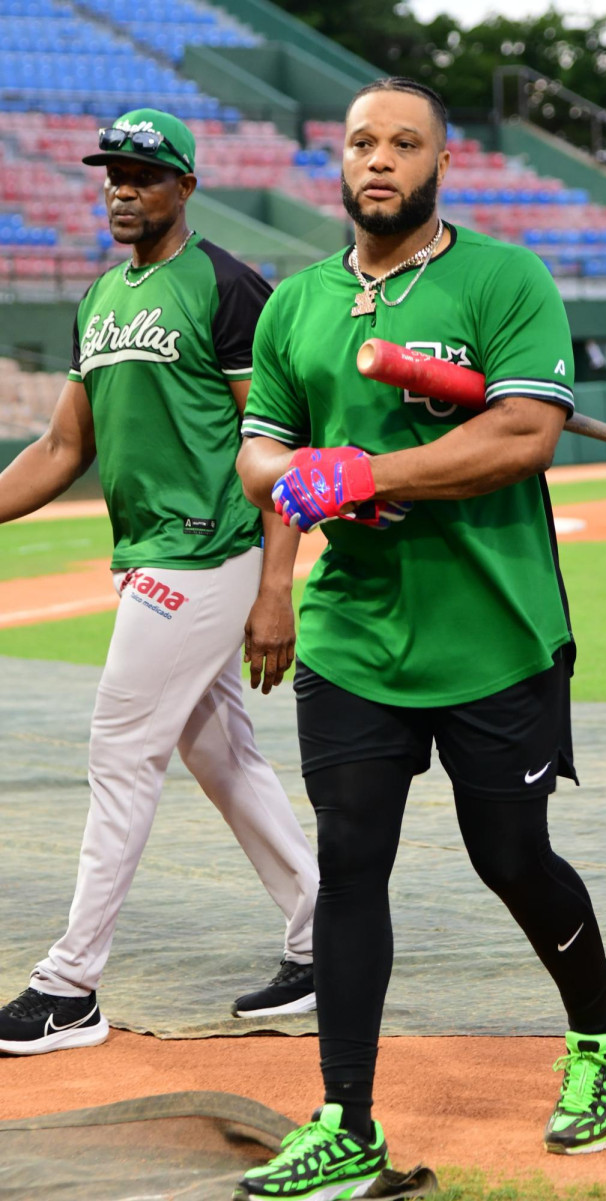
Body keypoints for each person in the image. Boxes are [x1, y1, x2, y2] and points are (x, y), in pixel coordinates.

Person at [232, 78, 606, 1199]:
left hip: (494, 632)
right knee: (350, 864)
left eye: (402, 143)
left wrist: (370, 470)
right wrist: (294, 519)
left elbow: (522, 433)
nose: (379, 159)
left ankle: (603, 1030)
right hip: (352, 635)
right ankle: (346, 1120)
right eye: (361, 140)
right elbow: (262, 456)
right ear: (339, 161)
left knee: (507, 855)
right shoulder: (297, 306)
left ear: (440, 163)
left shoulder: (503, 278)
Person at [0, 108, 319, 1057]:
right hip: (153, 553)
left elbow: (275, 442)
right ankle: (325, 934)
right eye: (113, 173)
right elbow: (64, 445)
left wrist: (275, 587)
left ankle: (70, 987)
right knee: (222, 756)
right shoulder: (100, 297)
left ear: (185, 186)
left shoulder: (224, 286)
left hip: (208, 550)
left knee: (120, 750)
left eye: (143, 173)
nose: (123, 188)